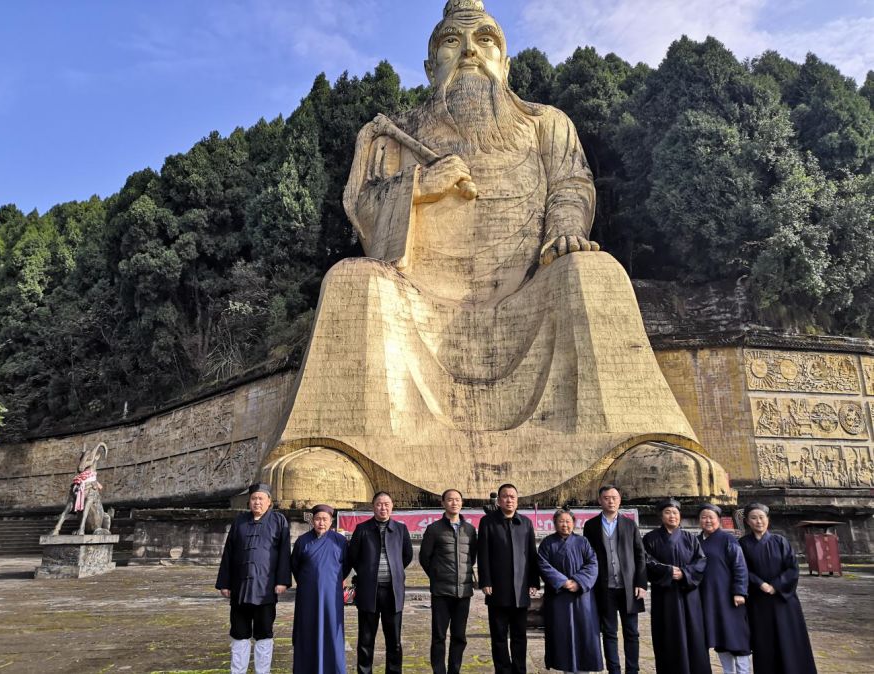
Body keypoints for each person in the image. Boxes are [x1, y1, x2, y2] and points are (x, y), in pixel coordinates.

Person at [264, 0, 733, 508]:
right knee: (351, 279)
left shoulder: (545, 123)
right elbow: (362, 211)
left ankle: (632, 447)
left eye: (484, 40)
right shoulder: (393, 135)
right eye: (451, 42)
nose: (469, 51)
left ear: (505, 61)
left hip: (528, 292)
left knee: (595, 270)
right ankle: (346, 453)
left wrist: (564, 233)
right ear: (430, 67)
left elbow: (572, 186)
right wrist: (420, 184)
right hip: (417, 302)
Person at [215, 483, 291, 674]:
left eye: (261, 499)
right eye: (254, 499)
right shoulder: (239, 521)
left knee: (264, 633)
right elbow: (228, 553)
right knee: (239, 633)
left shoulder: (279, 521)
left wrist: (282, 581)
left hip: (265, 588)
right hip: (240, 588)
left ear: (269, 502)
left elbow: (284, 553)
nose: (257, 502)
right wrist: (224, 583)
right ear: (249, 501)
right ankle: (238, 671)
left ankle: (262, 671)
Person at [739, 502, 817, 674]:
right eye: (754, 518)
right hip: (759, 601)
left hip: (783, 600)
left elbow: (792, 568)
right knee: (765, 641)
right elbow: (742, 569)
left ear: (768, 519)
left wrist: (776, 585)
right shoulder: (743, 544)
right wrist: (760, 584)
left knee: (789, 639)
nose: (758, 521)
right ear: (747, 521)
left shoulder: (780, 541)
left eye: (762, 517)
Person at [346, 491, 413, 674]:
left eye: (386, 504)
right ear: (373, 506)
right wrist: (367, 573)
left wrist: (394, 569)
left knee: (394, 640)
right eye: (379, 504)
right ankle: (364, 671)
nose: (383, 508)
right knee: (366, 638)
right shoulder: (362, 529)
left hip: (392, 590)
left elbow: (407, 556)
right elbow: (353, 556)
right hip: (370, 590)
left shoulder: (400, 529)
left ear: (392, 506)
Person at [582, 485, 647, 674]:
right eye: (607, 498)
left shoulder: (629, 525)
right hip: (604, 587)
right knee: (609, 632)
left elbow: (640, 555)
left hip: (629, 587)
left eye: (614, 497)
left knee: (631, 632)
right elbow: (589, 557)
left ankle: (632, 670)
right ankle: (614, 670)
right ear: (600, 500)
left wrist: (641, 583)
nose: (611, 501)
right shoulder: (591, 526)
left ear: (620, 500)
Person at [642, 498, 711, 674]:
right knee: (668, 634)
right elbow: (646, 561)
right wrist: (668, 572)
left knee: (693, 633)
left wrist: (685, 573)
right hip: (665, 595)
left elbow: (701, 561)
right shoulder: (650, 538)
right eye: (668, 512)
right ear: (660, 516)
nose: (672, 516)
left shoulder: (690, 538)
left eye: (675, 513)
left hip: (689, 594)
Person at [477, 483, 540, 674]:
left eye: (512, 496)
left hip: (520, 590)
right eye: (505, 496)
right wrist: (485, 580)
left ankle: (520, 669)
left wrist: (533, 581)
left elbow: (531, 554)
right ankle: (503, 670)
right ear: (499, 500)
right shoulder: (488, 522)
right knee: (499, 635)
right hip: (497, 588)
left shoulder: (525, 523)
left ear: (517, 500)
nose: (509, 500)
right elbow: (483, 554)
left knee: (520, 634)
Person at [419, 488, 478, 674]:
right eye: (450, 500)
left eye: (458, 500)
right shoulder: (434, 529)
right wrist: (437, 576)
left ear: (462, 503)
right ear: (443, 503)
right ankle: (439, 671)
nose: (454, 503)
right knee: (439, 636)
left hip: (464, 592)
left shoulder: (469, 530)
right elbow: (424, 558)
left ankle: (455, 670)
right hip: (441, 592)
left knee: (459, 636)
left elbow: (472, 557)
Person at [538, 509, 603, 673]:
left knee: (585, 632)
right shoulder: (547, 543)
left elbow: (592, 564)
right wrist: (564, 582)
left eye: (568, 521)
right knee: (562, 633)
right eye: (561, 521)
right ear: (554, 524)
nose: (565, 525)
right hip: (558, 596)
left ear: (574, 523)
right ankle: (565, 667)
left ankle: (585, 668)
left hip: (582, 596)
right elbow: (543, 565)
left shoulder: (583, 542)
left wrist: (578, 582)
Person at [291, 504, 348, 674]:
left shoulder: (340, 541)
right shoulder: (303, 541)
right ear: (312, 521)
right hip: (308, 595)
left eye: (325, 519)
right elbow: (295, 565)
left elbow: (347, 564)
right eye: (317, 519)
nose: (321, 523)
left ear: (331, 521)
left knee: (332, 630)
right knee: (307, 630)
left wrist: (333, 580)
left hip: (332, 594)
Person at [697, 503, 750, 674]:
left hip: (729, 597)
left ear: (718, 520)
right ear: (699, 521)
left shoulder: (728, 539)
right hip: (708, 598)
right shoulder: (696, 541)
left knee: (737, 636)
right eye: (704, 517)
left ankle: (743, 671)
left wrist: (739, 591)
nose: (708, 521)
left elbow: (740, 566)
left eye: (711, 517)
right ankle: (728, 671)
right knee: (719, 636)